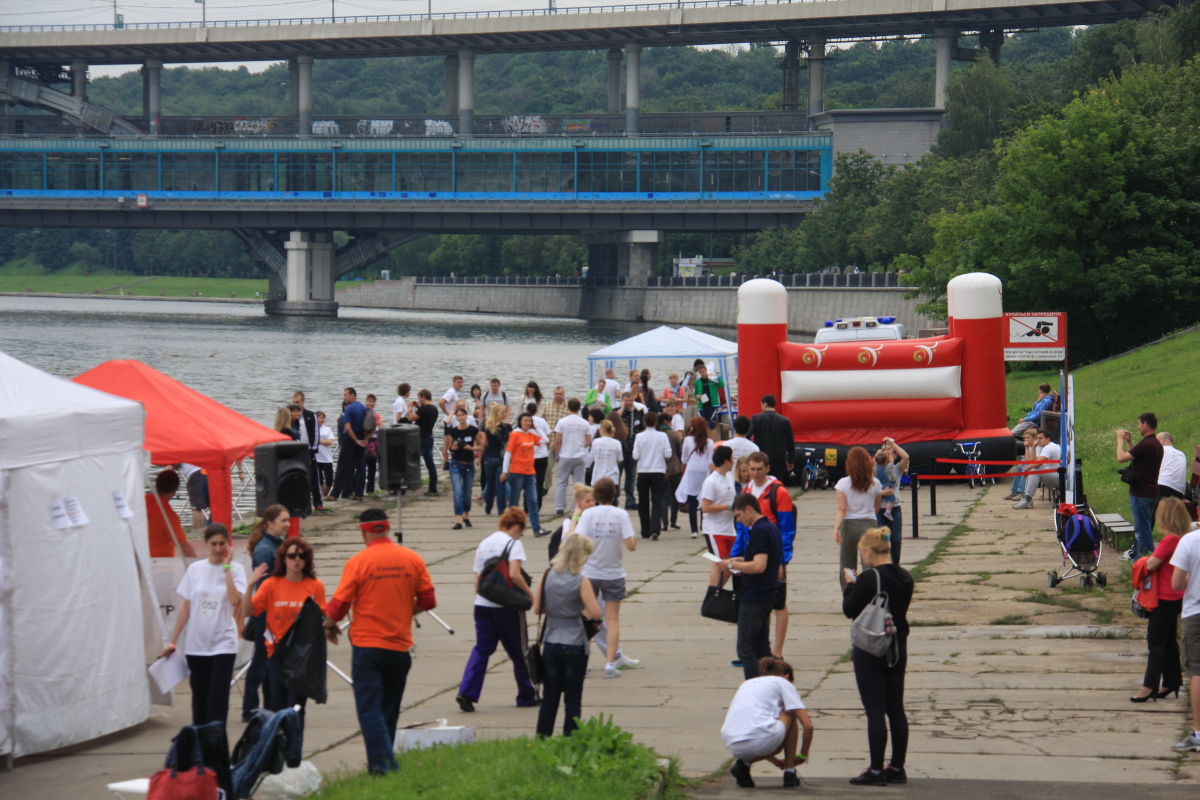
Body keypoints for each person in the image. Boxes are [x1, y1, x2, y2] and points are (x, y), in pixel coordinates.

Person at [324, 507, 437, 774]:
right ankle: (380, 763)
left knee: (369, 709)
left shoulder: (359, 562)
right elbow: (428, 600)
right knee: (388, 709)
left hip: (368, 646)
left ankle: (385, 766)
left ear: (363, 532)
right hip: (400, 646)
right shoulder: (412, 559)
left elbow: (339, 606)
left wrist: (328, 626)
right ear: (387, 528)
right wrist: (404, 610)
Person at [842, 528, 913, 785]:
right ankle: (897, 767)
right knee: (896, 709)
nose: (862, 557)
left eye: (863, 552)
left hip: (871, 649)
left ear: (870, 552)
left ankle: (875, 770)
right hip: (897, 646)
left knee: (875, 710)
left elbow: (850, 609)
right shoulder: (905, 576)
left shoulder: (869, 578)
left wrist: (851, 585)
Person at [161, 523, 247, 726]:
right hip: (197, 644)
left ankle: (216, 741)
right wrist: (173, 642)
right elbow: (186, 608)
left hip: (223, 643)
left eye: (222, 543)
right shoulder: (195, 569)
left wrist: (227, 568)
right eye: (214, 544)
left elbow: (235, 601)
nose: (218, 548)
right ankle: (199, 740)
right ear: (206, 544)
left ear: (228, 544)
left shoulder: (236, 569)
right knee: (200, 699)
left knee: (218, 699)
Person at [243, 537, 326, 748]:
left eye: (302, 556)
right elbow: (247, 611)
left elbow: (322, 620)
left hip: (301, 659)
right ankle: (274, 753)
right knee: (275, 708)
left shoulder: (315, 586)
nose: (297, 560)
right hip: (276, 655)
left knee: (296, 708)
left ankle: (293, 754)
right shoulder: (271, 584)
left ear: (307, 560)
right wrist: (250, 585)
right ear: (283, 559)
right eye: (291, 556)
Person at [457, 507, 539, 712]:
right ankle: (526, 695)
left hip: (482, 605)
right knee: (519, 651)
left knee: (483, 648)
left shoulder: (484, 543)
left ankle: (466, 692)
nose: (521, 534)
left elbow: (477, 579)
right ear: (517, 527)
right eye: (522, 530)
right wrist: (531, 595)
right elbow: (514, 575)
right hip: (506, 607)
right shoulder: (513, 544)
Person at [534, 532, 604, 738]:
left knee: (550, 697)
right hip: (575, 642)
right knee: (573, 698)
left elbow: (537, 608)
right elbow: (596, 614)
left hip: (551, 640)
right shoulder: (581, 580)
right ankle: (570, 740)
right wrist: (577, 610)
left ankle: (542, 739)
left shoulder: (547, 575)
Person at [575, 477, 640, 678]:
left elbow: (579, 540)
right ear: (614, 494)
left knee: (588, 618)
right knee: (612, 619)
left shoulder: (588, 514)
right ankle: (610, 665)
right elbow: (630, 545)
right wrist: (632, 541)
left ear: (595, 496)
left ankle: (584, 664)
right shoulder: (621, 514)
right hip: (613, 574)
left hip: (590, 573)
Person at [737, 452, 796, 658]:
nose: (755, 473)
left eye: (759, 469)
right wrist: (736, 556)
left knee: (778, 603)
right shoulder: (747, 490)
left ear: (768, 468)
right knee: (761, 603)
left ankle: (777, 652)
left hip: (773, 556)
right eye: (751, 469)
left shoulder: (778, 492)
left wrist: (782, 561)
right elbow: (741, 529)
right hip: (752, 554)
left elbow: (787, 530)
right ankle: (761, 648)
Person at [722, 657, 814, 790]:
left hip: (733, 744)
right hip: (763, 740)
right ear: (787, 676)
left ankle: (743, 765)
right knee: (790, 711)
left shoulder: (747, 683)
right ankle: (790, 772)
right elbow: (808, 725)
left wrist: (775, 761)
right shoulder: (783, 682)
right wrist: (803, 755)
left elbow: (754, 728)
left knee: (771, 739)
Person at [1133, 497, 1188, 703]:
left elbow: (1152, 565)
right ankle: (1172, 681)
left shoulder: (1169, 540)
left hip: (1164, 597)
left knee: (1155, 641)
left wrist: (1142, 560)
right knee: (1168, 640)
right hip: (1178, 596)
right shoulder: (1184, 538)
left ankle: (1149, 686)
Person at [721, 494, 781, 680]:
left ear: (749, 509)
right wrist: (742, 559)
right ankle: (771, 685)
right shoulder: (771, 527)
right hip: (767, 595)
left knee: (746, 648)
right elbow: (761, 559)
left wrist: (731, 565)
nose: (739, 520)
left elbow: (759, 566)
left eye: (739, 515)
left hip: (755, 597)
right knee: (762, 647)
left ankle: (754, 688)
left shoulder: (759, 531)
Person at [242, 504, 290, 720]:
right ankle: (250, 708)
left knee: (270, 660)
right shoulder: (264, 550)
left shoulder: (278, 544)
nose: (287, 524)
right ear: (270, 523)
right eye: (283, 521)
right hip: (266, 614)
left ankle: (271, 704)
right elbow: (264, 588)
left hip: (276, 611)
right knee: (262, 659)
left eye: (288, 520)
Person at [835, 447, 883, 588]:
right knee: (870, 563)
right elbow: (877, 507)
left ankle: (849, 593)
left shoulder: (842, 483)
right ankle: (870, 593)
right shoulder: (876, 483)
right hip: (869, 523)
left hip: (849, 524)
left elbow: (842, 508)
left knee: (847, 563)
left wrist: (837, 528)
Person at [1118, 413, 1164, 559]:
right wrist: (1130, 441)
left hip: (1141, 494)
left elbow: (1121, 458)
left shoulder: (1147, 445)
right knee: (1146, 530)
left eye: (1139, 424)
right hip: (1152, 492)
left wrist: (1120, 440)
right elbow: (1137, 457)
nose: (1138, 427)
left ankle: (1146, 564)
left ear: (1146, 425)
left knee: (1142, 533)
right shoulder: (1156, 444)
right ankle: (1141, 562)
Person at [502, 412, 546, 536]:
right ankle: (511, 528)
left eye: (530, 421)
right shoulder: (516, 434)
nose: (527, 423)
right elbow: (508, 453)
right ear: (520, 422)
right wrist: (505, 471)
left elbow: (545, 440)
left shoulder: (531, 435)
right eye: (525, 420)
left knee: (533, 502)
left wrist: (536, 428)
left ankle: (537, 529)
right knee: (514, 502)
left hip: (530, 473)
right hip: (517, 473)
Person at [632, 411, 673, 540]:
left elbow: (635, 456)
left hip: (643, 471)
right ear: (656, 422)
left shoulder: (639, 436)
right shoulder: (662, 436)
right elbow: (668, 454)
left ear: (644, 422)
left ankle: (645, 530)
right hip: (658, 471)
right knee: (657, 501)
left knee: (643, 502)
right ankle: (655, 529)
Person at [703, 446, 737, 586]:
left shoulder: (730, 478)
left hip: (730, 529)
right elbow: (706, 507)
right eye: (732, 458)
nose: (734, 461)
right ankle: (714, 594)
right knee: (719, 564)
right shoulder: (711, 481)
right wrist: (728, 507)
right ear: (726, 461)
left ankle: (717, 590)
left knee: (732, 564)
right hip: (715, 530)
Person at [676, 416, 715, 538]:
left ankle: (694, 530)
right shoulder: (710, 442)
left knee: (692, 501)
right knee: (704, 499)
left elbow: (684, 459)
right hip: (704, 472)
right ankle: (704, 528)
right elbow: (710, 461)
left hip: (692, 472)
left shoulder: (687, 440)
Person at [873, 439, 910, 564]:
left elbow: (906, 457)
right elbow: (870, 490)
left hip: (894, 509)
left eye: (891, 454)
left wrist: (892, 444)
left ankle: (894, 566)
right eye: (885, 454)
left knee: (896, 539)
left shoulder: (896, 469)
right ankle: (881, 565)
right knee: (880, 540)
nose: (888, 456)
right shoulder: (876, 470)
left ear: (895, 455)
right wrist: (881, 452)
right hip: (879, 509)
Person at [445, 407, 483, 530]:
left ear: (467, 416)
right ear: (456, 418)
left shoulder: (473, 430)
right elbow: (449, 448)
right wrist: (455, 447)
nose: (460, 417)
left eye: (462, 415)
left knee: (467, 493)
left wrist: (471, 449)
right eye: (458, 415)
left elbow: (481, 446)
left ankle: (467, 516)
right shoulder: (453, 431)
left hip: (469, 465)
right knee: (458, 492)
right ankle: (459, 519)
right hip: (456, 464)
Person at [146, 470, 198, 558]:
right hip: (159, 560)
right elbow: (183, 546)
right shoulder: (168, 515)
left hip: (138, 556)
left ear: (157, 485)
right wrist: (197, 564)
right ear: (176, 489)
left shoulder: (143, 501)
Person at [331, 387, 369, 502]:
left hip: (350, 438)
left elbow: (347, 428)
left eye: (345, 395)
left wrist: (355, 440)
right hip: (362, 435)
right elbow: (373, 425)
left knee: (342, 465)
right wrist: (365, 439)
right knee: (361, 466)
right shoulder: (364, 407)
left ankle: (334, 494)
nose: (344, 397)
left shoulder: (349, 409)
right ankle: (359, 493)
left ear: (352, 395)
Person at [555, 398, 592, 515]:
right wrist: (581, 446)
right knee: (579, 483)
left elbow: (557, 441)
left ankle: (560, 507)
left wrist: (557, 454)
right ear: (579, 408)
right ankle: (575, 507)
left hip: (565, 454)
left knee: (562, 483)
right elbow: (589, 441)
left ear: (568, 408)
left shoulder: (562, 422)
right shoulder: (585, 423)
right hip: (579, 455)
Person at [749, 395, 796, 485]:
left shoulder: (756, 419)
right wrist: (791, 460)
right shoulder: (785, 421)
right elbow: (790, 442)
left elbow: (748, 435)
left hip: (761, 458)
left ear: (765, 404)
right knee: (776, 485)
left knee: (761, 484)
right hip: (779, 459)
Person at [1012, 428, 1062, 509]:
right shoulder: (1045, 446)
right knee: (1033, 469)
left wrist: (1026, 469)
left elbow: (1038, 463)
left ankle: (1027, 500)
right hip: (1057, 476)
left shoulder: (1049, 447)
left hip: (1061, 479)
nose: (1038, 440)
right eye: (1037, 438)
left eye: (1041, 438)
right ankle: (1026, 498)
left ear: (1048, 439)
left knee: (1035, 470)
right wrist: (1034, 447)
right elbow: (1033, 461)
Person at [293, 391, 325, 512]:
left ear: (303, 401)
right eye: (294, 402)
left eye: (298, 402)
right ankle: (302, 503)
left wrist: (313, 450)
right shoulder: (292, 417)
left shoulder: (311, 415)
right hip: (297, 450)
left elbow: (316, 433)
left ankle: (318, 502)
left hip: (309, 448)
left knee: (314, 477)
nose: (296, 404)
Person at [482, 403, 512, 515]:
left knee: (490, 483)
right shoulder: (507, 427)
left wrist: (480, 457)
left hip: (488, 457)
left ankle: (488, 507)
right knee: (501, 483)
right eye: (504, 412)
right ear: (500, 413)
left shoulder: (487, 426)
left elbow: (484, 443)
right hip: (501, 457)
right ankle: (501, 509)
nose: (506, 414)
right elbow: (512, 443)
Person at [409, 389, 440, 496]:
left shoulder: (424, 409)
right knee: (430, 464)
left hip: (421, 439)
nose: (419, 400)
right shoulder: (434, 409)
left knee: (411, 462)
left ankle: (406, 485)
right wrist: (419, 407)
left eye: (419, 398)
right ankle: (433, 488)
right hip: (429, 438)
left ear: (423, 397)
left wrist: (410, 408)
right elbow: (425, 415)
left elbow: (410, 418)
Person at [618, 393, 645, 510]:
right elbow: (613, 420)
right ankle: (614, 500)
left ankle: (630, 501)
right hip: (620, 448)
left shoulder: (638, 413)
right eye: (626, 401)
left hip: (633, 449)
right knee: (617, 476)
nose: (628, 403)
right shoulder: (618, 412)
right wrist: (622, 409)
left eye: (630, 401)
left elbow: (642, 429)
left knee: (631, 477)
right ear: (622, 401)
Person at [659, 410, 684, 532]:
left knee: (663, 496)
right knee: (675, 495)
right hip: (674, 466)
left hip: (661, 467)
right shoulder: (674, 434)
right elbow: (679, 452)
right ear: (667, 422)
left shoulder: (658, 434)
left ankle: (664, 523)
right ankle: (673, 521)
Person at [588, 419, 624, 501]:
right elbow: (619, 460)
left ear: (603, 429)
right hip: (612, 477)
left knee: (597, 501)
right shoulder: (617, 443)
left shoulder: (596, 442)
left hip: (598, 476)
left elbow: (592, 457)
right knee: (611, 500)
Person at [1003, 429, 1040, 502]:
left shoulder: (1036, 447)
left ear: (1034, 438)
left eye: (1028, 438)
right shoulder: (1030, 446)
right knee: (1020, 467)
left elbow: (1029, 461)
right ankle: (1014, 491)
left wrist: (1026, 448)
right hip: (1032, 464)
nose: (1026, 440)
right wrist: (1027, 448)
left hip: (1038, 467)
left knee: (1025, 467)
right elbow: (1026, 459)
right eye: (1025, 438)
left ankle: (1021, 492)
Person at [692, 359, 726, 429]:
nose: (702, 373)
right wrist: (697, 396)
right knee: (702, 423)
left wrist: (717, 376)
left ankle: (711, 436)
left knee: (712, 424)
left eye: (703, 371)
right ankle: (704, 435)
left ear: (706, 370)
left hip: (712, 404)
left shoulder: (712, 378)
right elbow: (695, 393)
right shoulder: (698, 381)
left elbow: (722, 385)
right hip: (702, 405)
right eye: (700, 372)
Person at [1157, 431, 1189, 500]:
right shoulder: (1182, 454)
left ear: (1167, 441)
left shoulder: (1161, 450)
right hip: (1179, 491)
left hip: (1162, 486)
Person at [180, 462, 209, 530]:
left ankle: (199, 532)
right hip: (207, 471)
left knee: (197, 507)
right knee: (212, 505)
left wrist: (171, 465)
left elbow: (175, 462)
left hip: (196, 474)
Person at [364, 394, 383, 495]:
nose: (371, 403)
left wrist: (376, 430)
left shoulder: (377, 415)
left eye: (373, 402)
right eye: (370, 401)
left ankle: (370, 490)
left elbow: (382, 427)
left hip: (374, 443)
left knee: (372, 467)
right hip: (365, 442)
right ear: (366, 402)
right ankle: (356, 489)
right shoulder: (363, 414)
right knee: (362, 467)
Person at [315, 412, 335, 498]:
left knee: (329, 479)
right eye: (321, 418)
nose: (323, 419)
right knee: (319, 479)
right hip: (317, 457)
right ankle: (322, 495)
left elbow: (329, 442)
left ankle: (325, 494)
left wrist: (318, 441)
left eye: (324, 418)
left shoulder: (327, 429)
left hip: (326, 457)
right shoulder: (312, 430)